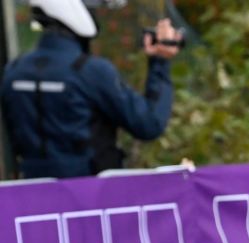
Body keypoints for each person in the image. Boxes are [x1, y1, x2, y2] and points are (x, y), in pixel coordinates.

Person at [0, 0, 182, 179]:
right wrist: (160, 61)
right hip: (90, 197)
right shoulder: (90, 72)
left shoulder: (14, 71)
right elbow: (149, 124)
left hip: (32, 198)